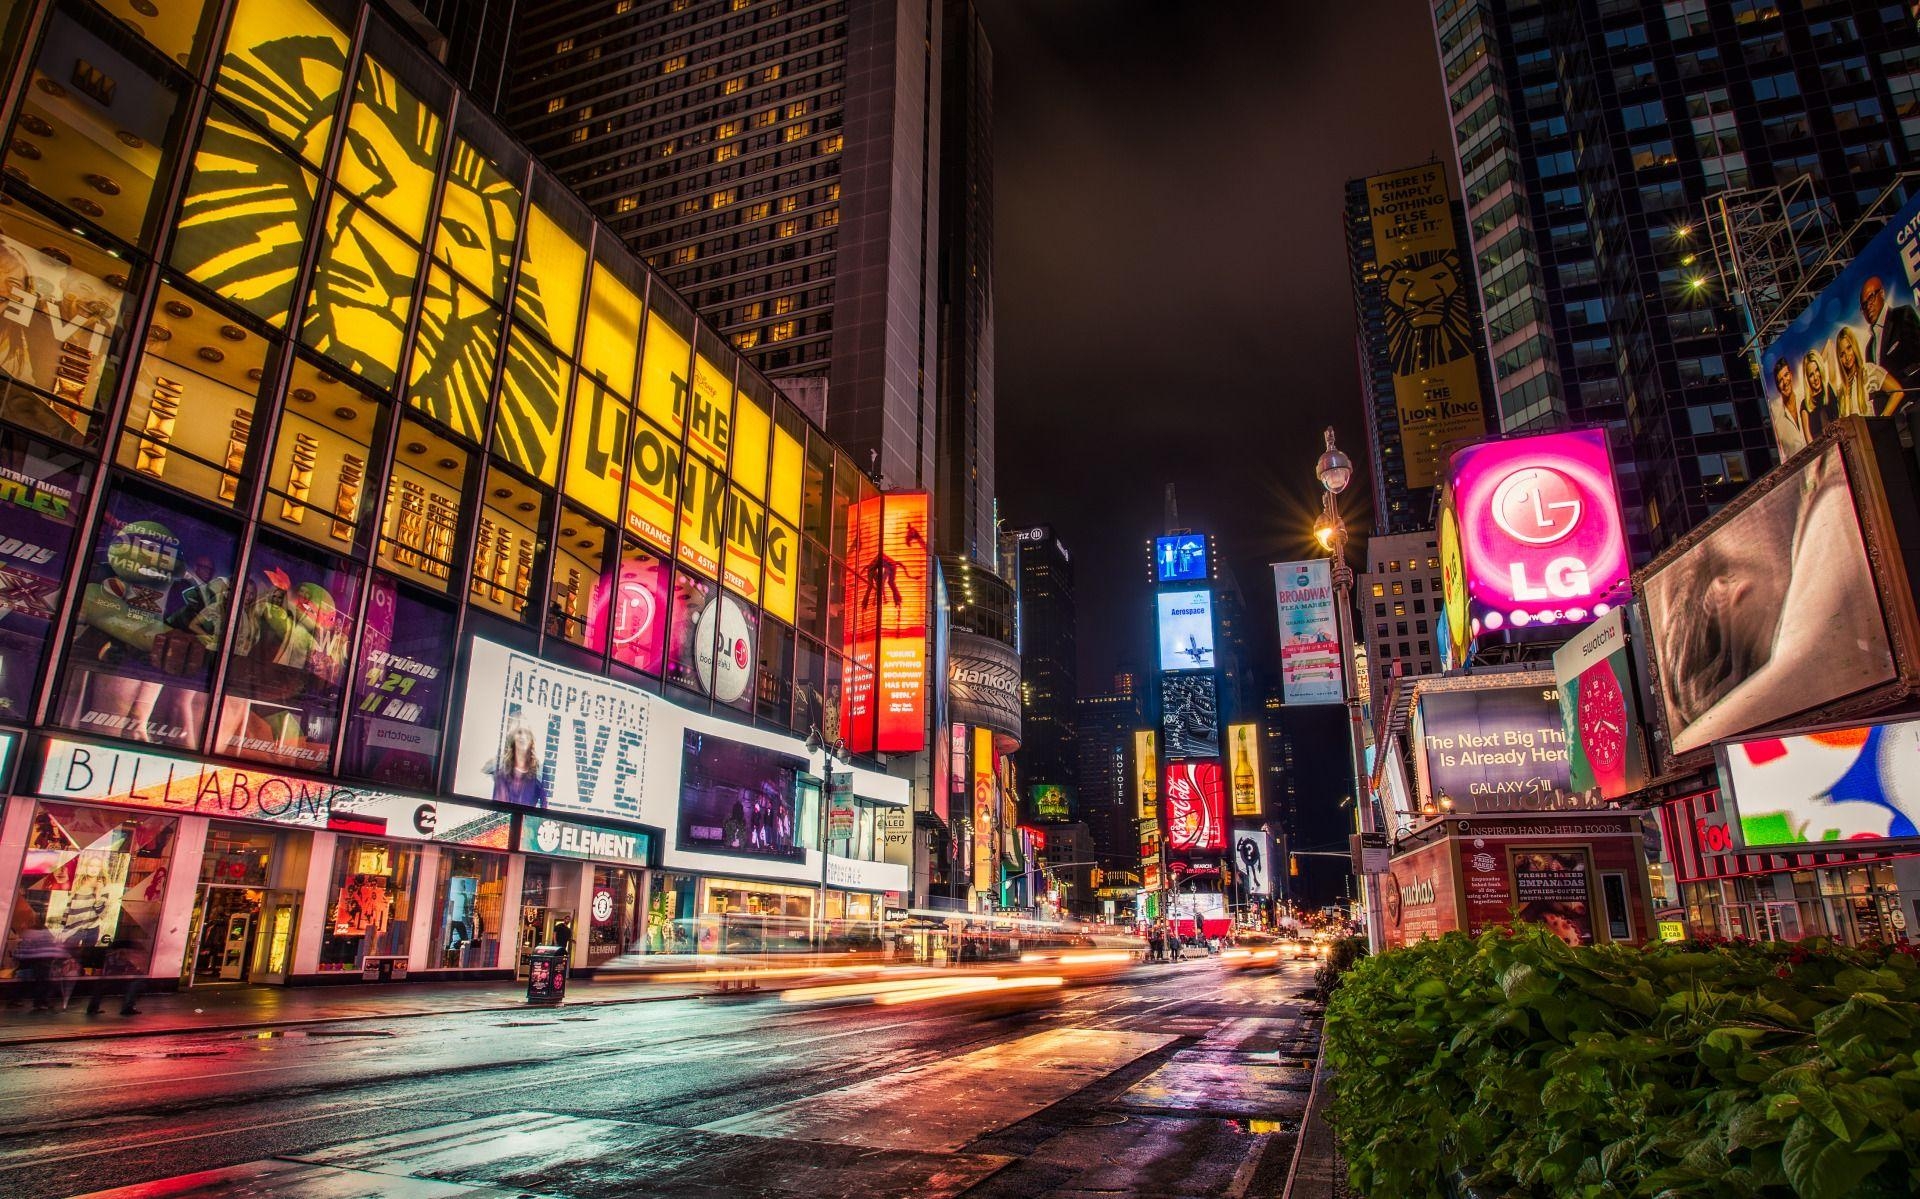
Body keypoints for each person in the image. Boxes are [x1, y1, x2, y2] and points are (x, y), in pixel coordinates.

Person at [1655, 445, 1892, 751]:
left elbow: (1803, 664)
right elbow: (1809, 661)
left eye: (1751, 654)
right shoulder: (1831, 503)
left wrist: (1670, 749)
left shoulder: (1825, 488)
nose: (1787, 613)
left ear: (1724, 592)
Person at [1860, 275, 1920, 385]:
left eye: (1871, 297)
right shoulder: (1869, 348)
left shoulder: (1902, 315)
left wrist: (1898, 388)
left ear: (1882, 293)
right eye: (1864, 305)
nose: (1868, 306)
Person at [1834, 325, 1905, 418]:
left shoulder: (1868, 371)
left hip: (1872, 430)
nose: (1847, 357)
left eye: (1849, 348)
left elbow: (1898, 392)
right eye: (1842, 354)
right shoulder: (1841, 391)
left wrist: (1882, 420)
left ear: (1854, 346)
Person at [1799, 348, 1840, 443]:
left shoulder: (1829, 388)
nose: (1816, 377)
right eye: (1811, 375)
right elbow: (1810, 443)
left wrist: (1816, 360)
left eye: (1817, 370)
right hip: (1825, 453)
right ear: (1807, 379)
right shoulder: (1805, 405)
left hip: (1842, 442)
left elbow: (1830, 346)